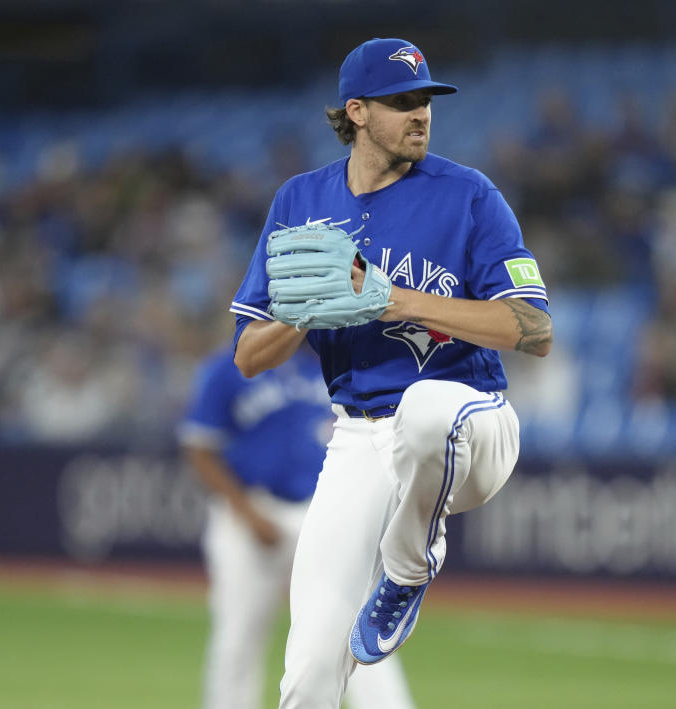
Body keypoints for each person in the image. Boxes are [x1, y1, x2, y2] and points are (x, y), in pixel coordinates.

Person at [229, 37, 553, 709]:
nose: (421, 114)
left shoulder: (469, 195)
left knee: (427, 409)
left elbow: (534, 328)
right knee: (312, 667)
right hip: (357, 440)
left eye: (426, 101)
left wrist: (386, 296)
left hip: (473, 423)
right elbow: (248, 355)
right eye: (403, 102)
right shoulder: (300, 201)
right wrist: (306, 311)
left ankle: (407, 569)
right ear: (357, 111)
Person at [179, 343, 418, 709]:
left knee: (356, 627)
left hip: (319, 512)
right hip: (250, 514)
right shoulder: (230, 367)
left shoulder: (333, 364)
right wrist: (247, 514)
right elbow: (199, 447)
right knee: (238, 638)